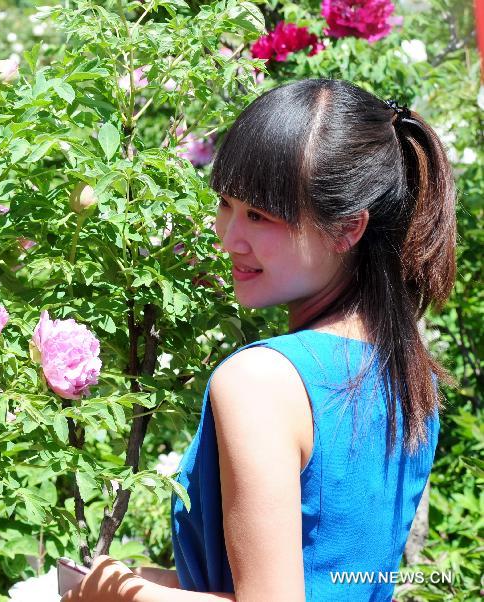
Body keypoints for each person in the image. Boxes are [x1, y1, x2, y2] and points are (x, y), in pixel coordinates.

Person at [62, 78, 456, 601]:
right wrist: (136, 582)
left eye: (260, 216)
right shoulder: (409, 377)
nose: (229, 237)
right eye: (226, 203)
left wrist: (115, 594)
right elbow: (323, 572)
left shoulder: (262, 381)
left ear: (347, 229)